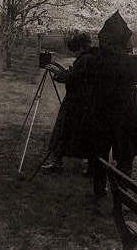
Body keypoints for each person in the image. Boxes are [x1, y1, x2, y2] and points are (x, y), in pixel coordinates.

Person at [61, 11, 137, 200]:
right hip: (126, 113)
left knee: (99, 152)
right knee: (125, 155)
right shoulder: (132, 61)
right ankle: (122, 193)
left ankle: (99, 190)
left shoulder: (94, 59)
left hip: (100, 111)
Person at [42, 32, 93, 173]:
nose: (75, 53)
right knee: (81, 132)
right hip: (84, 101)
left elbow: (75, 79)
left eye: (76, 50)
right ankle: (89, 165)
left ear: (81, 47)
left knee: (63, 130)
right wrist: (63, 74)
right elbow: (76, 77)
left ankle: (57, 162)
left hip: (76, 101)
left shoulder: (85, 59)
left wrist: (59, 73)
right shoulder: (90, 58)